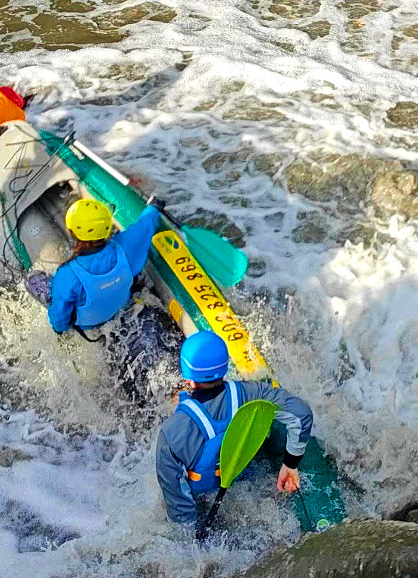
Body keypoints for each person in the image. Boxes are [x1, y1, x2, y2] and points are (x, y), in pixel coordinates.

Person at [155, 331, 314, 527]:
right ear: (225, 368)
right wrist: (290, 464)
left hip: (204, 501)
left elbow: (178, 506)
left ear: (188, 380)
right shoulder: (253, 394)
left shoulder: (172, 432)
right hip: (246, 485)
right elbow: (301, 413)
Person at [45, 197, 164, 334]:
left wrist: (59, 330)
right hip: (119, 308)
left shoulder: (67, 274)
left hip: (87, 325)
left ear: (72, 232)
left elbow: (60, 320)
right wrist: (154, 208)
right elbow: (145, 225)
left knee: (35, 280)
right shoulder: (125, 246)